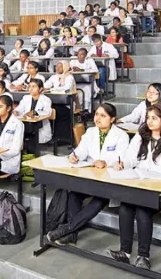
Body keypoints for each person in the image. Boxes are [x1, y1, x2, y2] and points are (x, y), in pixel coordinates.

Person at [109, 104, 161, 269]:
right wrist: (122, 164)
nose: (150, 121)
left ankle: (143, 256)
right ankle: (125, 252)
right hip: (138, 183)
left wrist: (146, 170)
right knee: (125, 208)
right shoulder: (141, 136)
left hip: (159, 187)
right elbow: (130, 159)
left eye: (154, 118)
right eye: (148, 118)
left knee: (143, 211)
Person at [45, 104, 129, 245]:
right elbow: (82, 150)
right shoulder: (91, 132)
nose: (98, 118)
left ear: (112, 119)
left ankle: (67, 229)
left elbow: (121, 157)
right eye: (96, 114)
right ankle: (72, 235)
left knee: (99, 200)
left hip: (110, 179)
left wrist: (106, 162)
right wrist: (75, 155)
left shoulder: (122, 136)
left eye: (103, 116)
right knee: (74, 194)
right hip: (91, 175)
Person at [14, 78, 52, 149]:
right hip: (27, 126)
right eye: (29, 86)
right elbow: (19, 108)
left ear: (40, 89)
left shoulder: (46, 99)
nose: (30, 89)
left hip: (40, 129)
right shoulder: (26, 98)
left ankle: (32, 153)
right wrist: (16, 111)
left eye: (33, 86)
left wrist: (35, 112)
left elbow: (48, 112)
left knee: (29, 141)